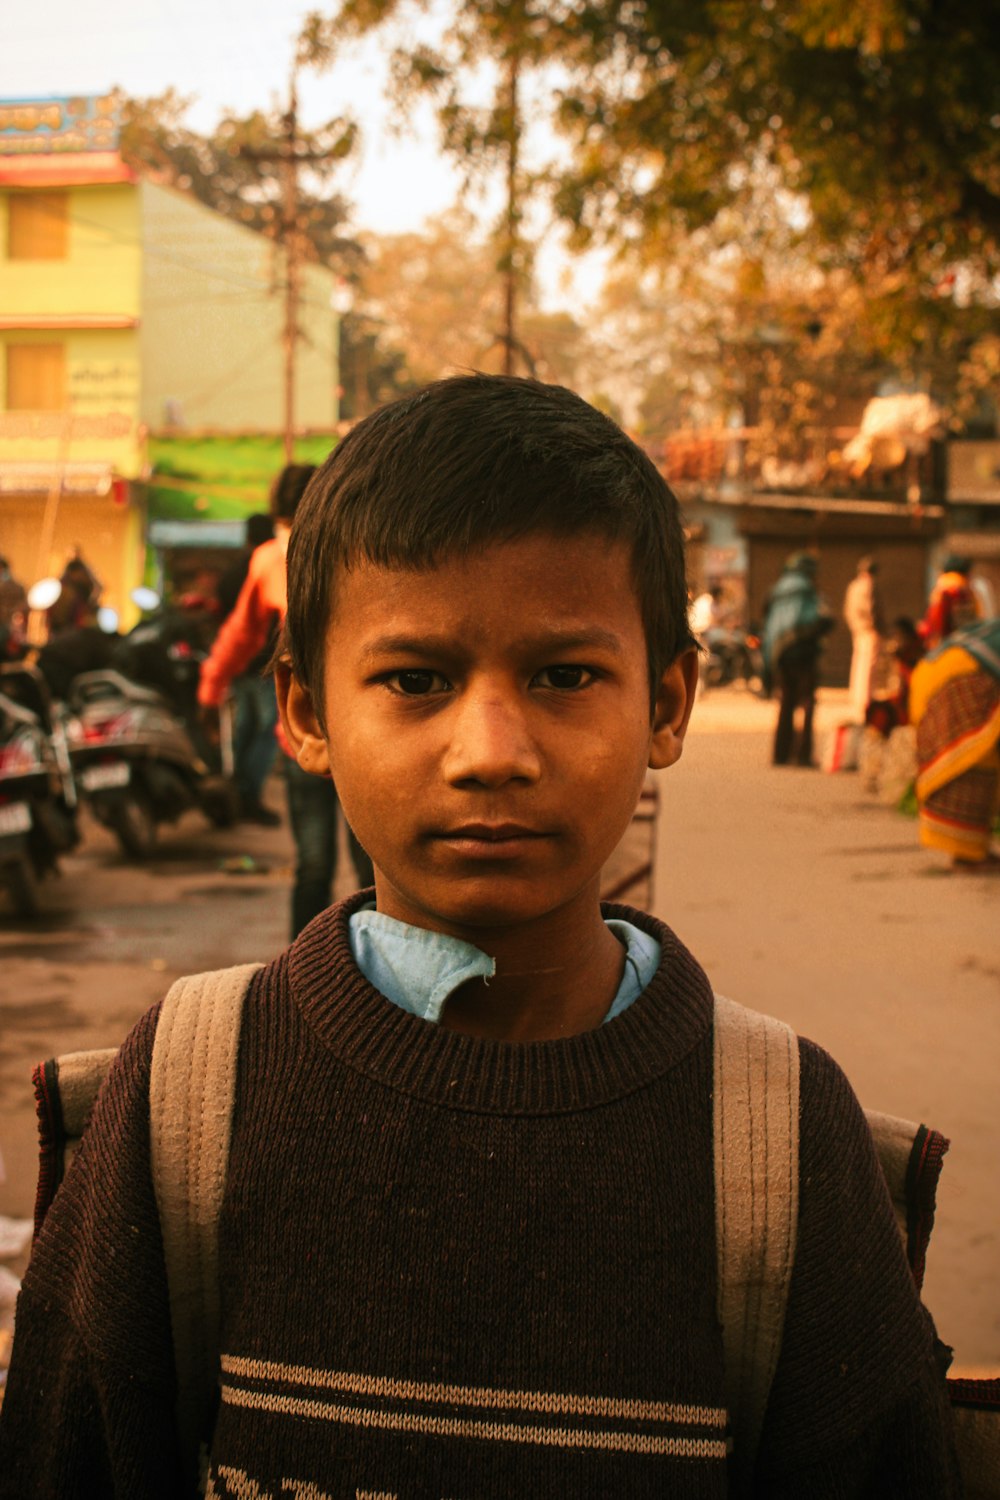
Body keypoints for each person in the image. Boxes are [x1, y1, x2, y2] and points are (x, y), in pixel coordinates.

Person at [0, 377, 958, 1497]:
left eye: (564, 677)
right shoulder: (187, 1095)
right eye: (416, 681)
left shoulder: (779, 1143)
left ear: (666, 704)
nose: (490, 750)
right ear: (306, 714)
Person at [198, 464, 374, 930]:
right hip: (362, 731)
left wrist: (210, 688)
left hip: (311, 736)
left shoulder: (272, 558)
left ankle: (306, 977)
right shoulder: (358, 545)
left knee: (317, 865)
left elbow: (240, 634)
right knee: (372, 869)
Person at [909, 614, 1000, 870]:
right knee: (972, 763)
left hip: (935, 673)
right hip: (959, 680)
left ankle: (973, 850)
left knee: (979, 762)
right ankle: (968, 856)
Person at [214, 512, 280, 825]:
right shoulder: (269, 569)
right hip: (264, 666)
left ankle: (236, 792)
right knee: (267, 731)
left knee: (244, 729)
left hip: (240, 666)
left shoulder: (231, 575)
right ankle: (247, 795)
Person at [762, 553, 834, 766]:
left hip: (781, 656)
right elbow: (825, 619)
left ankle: (780, 754)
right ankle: (802, 755)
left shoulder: (775, 591)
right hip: (805, 655)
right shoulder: (809, 591)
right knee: (807, 703)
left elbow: (769, 623)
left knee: (785, 703)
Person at [843, 555, 883, 721]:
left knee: (859, 664)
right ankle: (866, 701)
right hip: (869, 630)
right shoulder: (869, 585)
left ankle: (857, 698)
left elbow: (847, 609)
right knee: (869, 667)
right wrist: (878, 629)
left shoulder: (853, 586)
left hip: (857, 629)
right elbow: (872, 610)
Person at [918, 555, 982, 650]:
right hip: (954, 644)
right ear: (967, 572)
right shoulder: (960, 590)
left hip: (938, 643)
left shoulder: (941, 586)